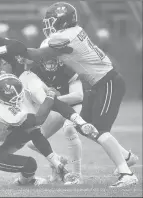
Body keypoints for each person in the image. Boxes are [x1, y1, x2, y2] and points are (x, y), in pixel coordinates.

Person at [25, 2, 138, 187]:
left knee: (100, 131)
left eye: (52, 21)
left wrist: (10, 48)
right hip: (98, 83)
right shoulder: (71, 32)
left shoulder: (65, 37)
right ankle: (126, 156)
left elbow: (38, 53)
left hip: (107, 82)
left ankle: (127, 174)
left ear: (62, 21)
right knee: (85, 126)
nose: (49, 25)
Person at [0, 73, 96, 187]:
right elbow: (39, 118)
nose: (17, 99)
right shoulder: (6, 113)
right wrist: (50, 96)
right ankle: (22, 181)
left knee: (32, 130)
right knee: (30, 165)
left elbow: (33, 127)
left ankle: (57, 164)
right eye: (12, 98)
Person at [25, 57, 83, 184]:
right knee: (32, 141)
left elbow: (79, 95)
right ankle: (57, 162)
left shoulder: (68, 69)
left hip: (74, 106)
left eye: (52, 60)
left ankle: (77, 175)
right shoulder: (35, 71)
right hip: (56, 109)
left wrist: (53, 100)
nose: (49, 64)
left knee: (70, 129)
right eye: (46, 60)